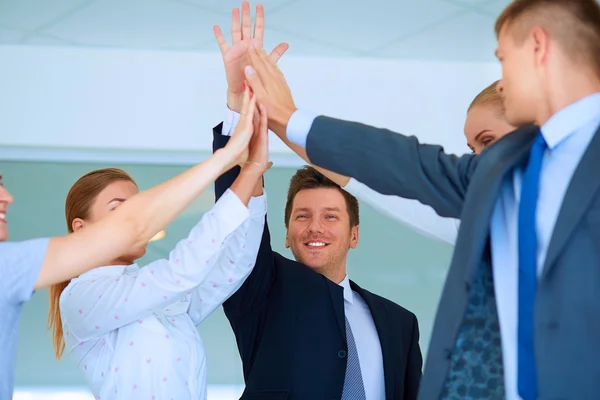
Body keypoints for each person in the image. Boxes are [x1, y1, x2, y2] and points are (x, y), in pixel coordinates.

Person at [241, 0, 600, 398]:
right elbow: (397, 163)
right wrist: (284, 116)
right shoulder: (505, 167)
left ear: (538, 46)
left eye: (503, 59)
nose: (500, 82)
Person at [212, 4, 422, 399]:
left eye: (331, 216)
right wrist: (240, 111)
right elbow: (237, 218)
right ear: (287, 233)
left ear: (354, 234)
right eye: (302, 216)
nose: (314, 227)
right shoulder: (260, 290)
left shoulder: (400, 323)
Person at [0, 88, 259, 399]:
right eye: (118, 208)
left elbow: (235, 262)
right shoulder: (82, 296)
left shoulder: (166, 300)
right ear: (81, 228)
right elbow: (178, 273)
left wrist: (254, 173)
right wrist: (245, 169)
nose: (139, 220)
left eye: (137, 207)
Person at [224, 80, 516, 246]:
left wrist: (285, 117)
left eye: (488, 141)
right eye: (472, 149)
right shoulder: (472, 220)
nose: (477, 161)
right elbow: (356, 175)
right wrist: (270, 118)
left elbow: (393, 161)